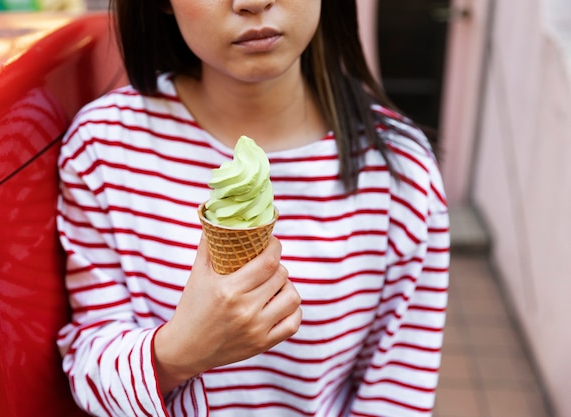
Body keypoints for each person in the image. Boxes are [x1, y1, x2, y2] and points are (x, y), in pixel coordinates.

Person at [55, 0, 450, 416]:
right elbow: (88, 364)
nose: (252, 1)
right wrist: (176, 353)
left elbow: (396, 395)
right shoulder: (103, 147)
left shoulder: (401, 170)